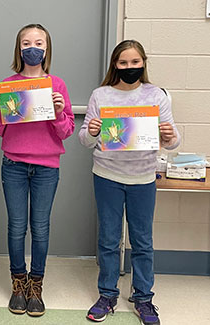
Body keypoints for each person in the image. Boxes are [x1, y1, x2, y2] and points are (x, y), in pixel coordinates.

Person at [79, 40, 180, 325]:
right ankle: (107, 294)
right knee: (109, 240)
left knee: (143, 241)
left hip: (144, 178)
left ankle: (144, 298)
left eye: (135, 62)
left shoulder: (156, 95)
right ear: (115, 65)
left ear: (143, 63)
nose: (129, 67)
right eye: (123, 63)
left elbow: (172, 142)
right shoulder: (101, 94)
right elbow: (85, 140)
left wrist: (170, 136)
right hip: (107, 177)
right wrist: (93, 131)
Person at [0, 24, 75, 317]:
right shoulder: (9, 84)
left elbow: (65, 132)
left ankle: (36, 285)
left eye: (38, 42)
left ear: (47, 48)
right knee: (16, 226)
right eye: (26, 42)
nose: (32, 47)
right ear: (19, 48)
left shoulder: (57, 84)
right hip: (13, 164)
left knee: (40, 228)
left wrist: (61, 111)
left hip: (46, 167)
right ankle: (18, 282)